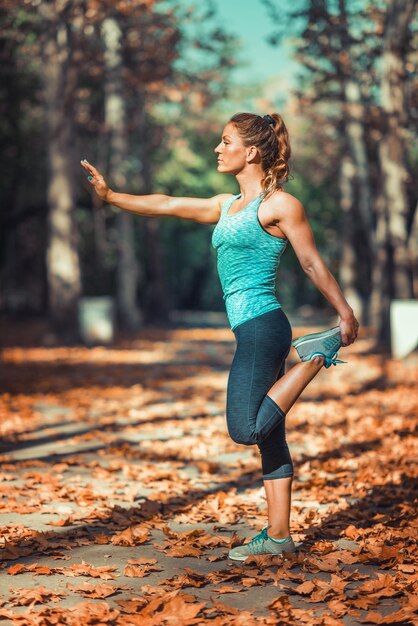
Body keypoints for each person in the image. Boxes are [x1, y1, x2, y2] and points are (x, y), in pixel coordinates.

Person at [80, 111, 359, 562]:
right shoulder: (224, 205)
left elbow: (311, 263)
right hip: (251, 329)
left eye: (225, 140)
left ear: (250, 152)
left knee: (244, 429)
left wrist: (344, 311)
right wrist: (111, 196)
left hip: (263, 326)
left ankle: (316, 355)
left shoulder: (279, 205)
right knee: (271, 434)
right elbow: (167, 203)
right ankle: (279, 537)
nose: (217, 147)